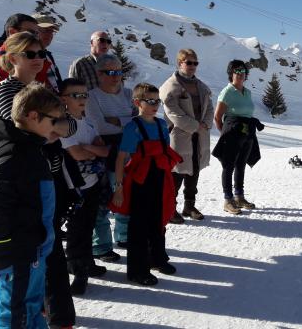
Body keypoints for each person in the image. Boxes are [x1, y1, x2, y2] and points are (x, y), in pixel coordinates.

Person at [0, 83, 64, 328]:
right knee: (16, 310)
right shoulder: (14, 153)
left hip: (33, 248)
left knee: (33, 304)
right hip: (17, 250)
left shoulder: (31, 148)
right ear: (33, 116)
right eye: (53, 120)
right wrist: (1, 247)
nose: (55, 127)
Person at [111, 83, 181, 285]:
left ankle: (158, 259)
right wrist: (118, 187)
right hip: (140, 180)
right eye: (149, 101)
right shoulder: (133, 127)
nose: (154, 105)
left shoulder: (161, 125)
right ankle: (137, 270)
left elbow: (166, 152)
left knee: (158, 220)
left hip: (159, 177)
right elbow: (121, 158)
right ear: (137, 103)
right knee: (139, 225)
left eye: (156, 101)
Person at [59, 78, 110, 295]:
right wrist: (89, 151)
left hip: (92, 183)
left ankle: (86, 263)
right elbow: (76, 154)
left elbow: (104, 150)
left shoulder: (88, 121)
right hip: (74, 187)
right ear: (63, 99)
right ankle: (78, 271)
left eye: (84, 95)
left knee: (88, 226)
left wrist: (87, 148)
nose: (82, 99)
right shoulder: (64, 125)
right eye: (76, 95)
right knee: (77, 230)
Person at [85, 54, 136, 260]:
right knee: (104, 199)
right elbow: (99, 125)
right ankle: (101, 246)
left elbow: (138, 121)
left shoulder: (127, 93)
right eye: (110, 72)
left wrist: (117, 120)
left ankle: (123, 236)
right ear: (99, 74)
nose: (116, 77)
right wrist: (126, 121)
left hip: (129, 149)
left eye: (119, 72)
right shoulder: (91, 96)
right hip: (105, 151)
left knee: (126, 194)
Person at [159, 49, 213, 223]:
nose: (192, 66)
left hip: (199, 135)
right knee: (176, 172)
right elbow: (173, 113)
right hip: (180, 136)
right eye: (188, 62)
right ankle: (170, 208)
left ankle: (189, 206)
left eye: (195, 63)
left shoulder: (202, 86)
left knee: (194, 171)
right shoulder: (170, 86)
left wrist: (205, 123)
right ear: (179, 63)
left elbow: (210, 108)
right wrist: (196, 126)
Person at [212, 60, 263, 215]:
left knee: (240, 165)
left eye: (243, 72)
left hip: (247, 133)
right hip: (233, 132)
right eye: (237, 72)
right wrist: (225, 134)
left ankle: (239, 197)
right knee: (228, 165)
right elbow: (217, 116)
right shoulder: (227, 91)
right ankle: (228, 200)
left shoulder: (247, 92)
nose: (240, 75)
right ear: (231, 74)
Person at [0, 13, 51, 93]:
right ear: (12, 32)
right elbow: (3, 101)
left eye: (37, 34)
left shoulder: (36, 56)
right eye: (30, 32)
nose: (35, 38)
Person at [32, 14, 63, 92]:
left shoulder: (48, 56)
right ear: (33, 31)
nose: (49, 34)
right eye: (46, 30)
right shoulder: (26, 56)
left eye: (52, 31)